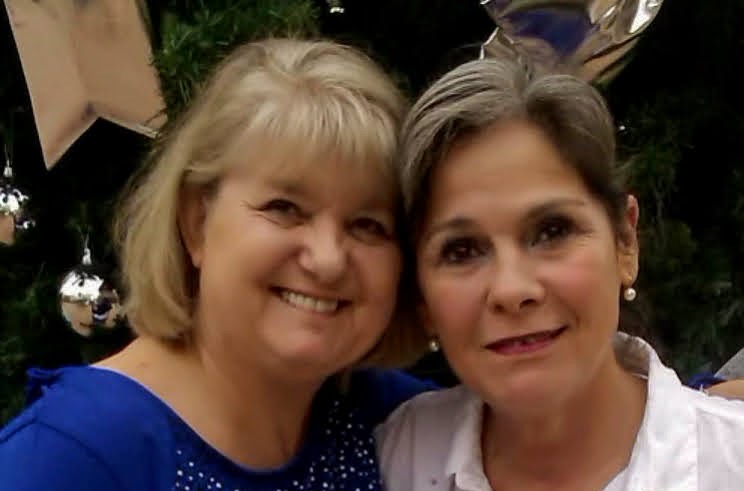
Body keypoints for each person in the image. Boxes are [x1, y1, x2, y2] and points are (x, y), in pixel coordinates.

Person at [0, 38, 430, 490]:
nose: (327, 259)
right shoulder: (73, 454)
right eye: (285, 208)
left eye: (368, 225)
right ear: (196, 222)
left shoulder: (407, 431)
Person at [377, 57, 744, 490]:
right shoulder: (388, 460)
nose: (512, 289)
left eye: (552, 231)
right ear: (422, 300)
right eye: (461, 250)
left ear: (625, 242)